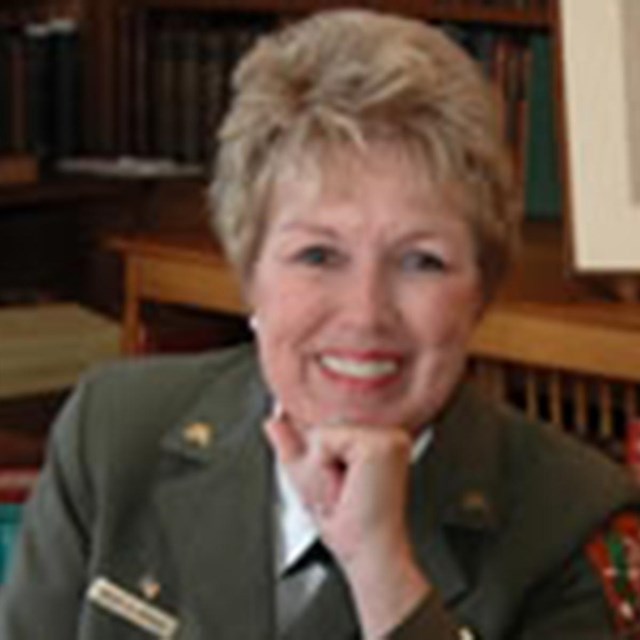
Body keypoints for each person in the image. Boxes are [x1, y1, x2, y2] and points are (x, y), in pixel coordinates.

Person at [1, 8, 640, 640]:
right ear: (248, 272)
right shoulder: (113, 435)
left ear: (481, 291)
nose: (365, 314)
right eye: (318, 255)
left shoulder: (569, 519)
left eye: (422, 261)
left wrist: (381, 568)